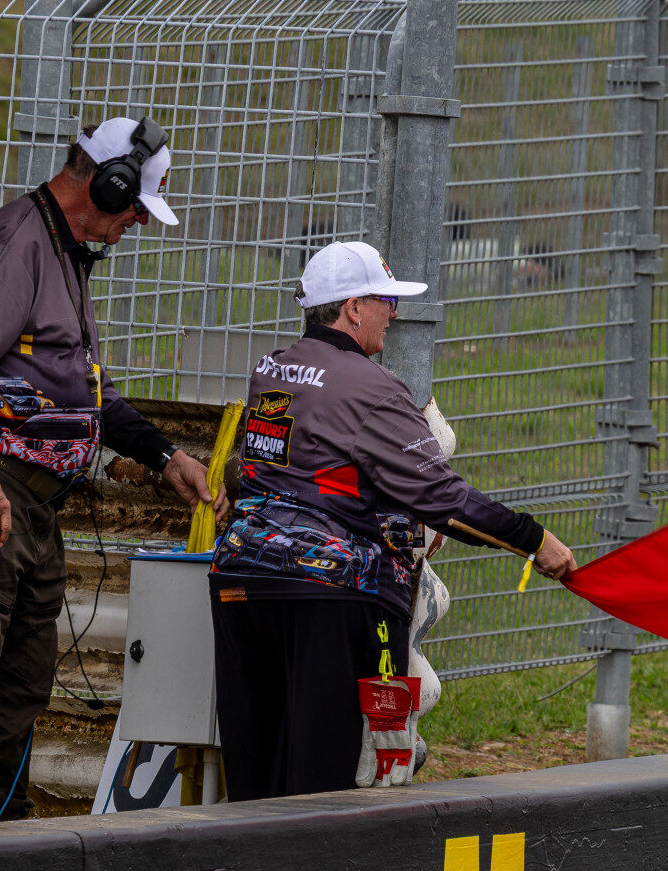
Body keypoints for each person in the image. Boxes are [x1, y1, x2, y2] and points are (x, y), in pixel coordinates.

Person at [0, 115, 225, 829]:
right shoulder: (17, 246)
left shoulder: (63, 251)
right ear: (107, 184)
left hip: (32, 502)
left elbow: (82, 392)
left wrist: (165, 456)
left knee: (20, 683)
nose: (131, 226)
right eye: (134, 208)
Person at [207, 240, 577, 801]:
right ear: (354, 308)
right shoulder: (373, 389)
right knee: (319, 789)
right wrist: (533, 539)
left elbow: (255, 469)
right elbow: (441, 498)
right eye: (385, 300)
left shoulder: (271, 370)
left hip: (239, 581)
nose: (394, 312)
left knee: (254, 777)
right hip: (325, 593)